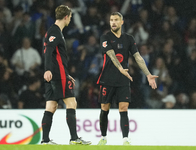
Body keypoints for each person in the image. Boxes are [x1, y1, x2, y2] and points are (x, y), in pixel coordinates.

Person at [97, 12, 158, 145]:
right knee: (104, 108)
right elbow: (111, 54)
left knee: (123, 108)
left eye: (116, 20)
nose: (113, 22)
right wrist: (120, 68)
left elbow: (137, 57)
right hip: (108, 78)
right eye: (111, 20)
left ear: (122, 22)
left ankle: (125, 139)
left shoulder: (129, 39)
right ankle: (103, 137)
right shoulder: (105, 37)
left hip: (124, 79)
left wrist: (148, 74)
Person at [41, 5, 91, 145]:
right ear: (66, 17)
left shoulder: (53, 32)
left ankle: (45, 140)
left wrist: (66, 74)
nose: (70, 20)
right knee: (71, 103)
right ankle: (74, 139)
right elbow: (49, 51)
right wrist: (48, 69)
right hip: (56, 74)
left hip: (56, 73)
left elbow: (56, 56)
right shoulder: (55, 32)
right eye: (70, 17)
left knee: (51, 106)